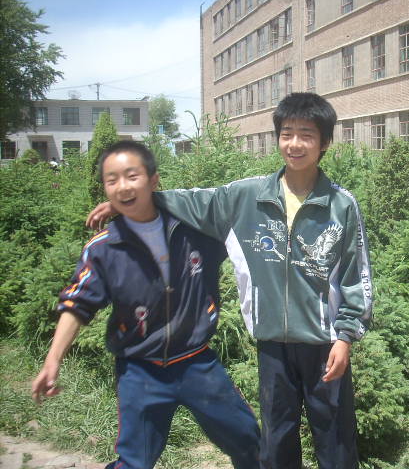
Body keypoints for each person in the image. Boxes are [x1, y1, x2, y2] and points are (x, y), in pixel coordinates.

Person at [87, 93, 373, 469]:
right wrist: (131, 200)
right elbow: (192, 202)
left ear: (325, 143)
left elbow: (356, 275)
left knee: (335, 439)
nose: (295, 144)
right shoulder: (246, 197)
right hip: (272, 344)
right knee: (277, 439)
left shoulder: (341, 205)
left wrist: (345, 336)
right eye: (287, 133)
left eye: (306, 135)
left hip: (325, 343)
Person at [33, 141, 260, 469]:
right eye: (112, 180)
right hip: (140, 371)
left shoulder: (195, 230)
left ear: (154, 180)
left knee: (249, 441)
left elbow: (239, 210)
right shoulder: (104, 248)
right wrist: (53, 360)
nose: (122, 187)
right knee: (134, 461)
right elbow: (78, 303)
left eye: (132, 176)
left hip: (198, 363)